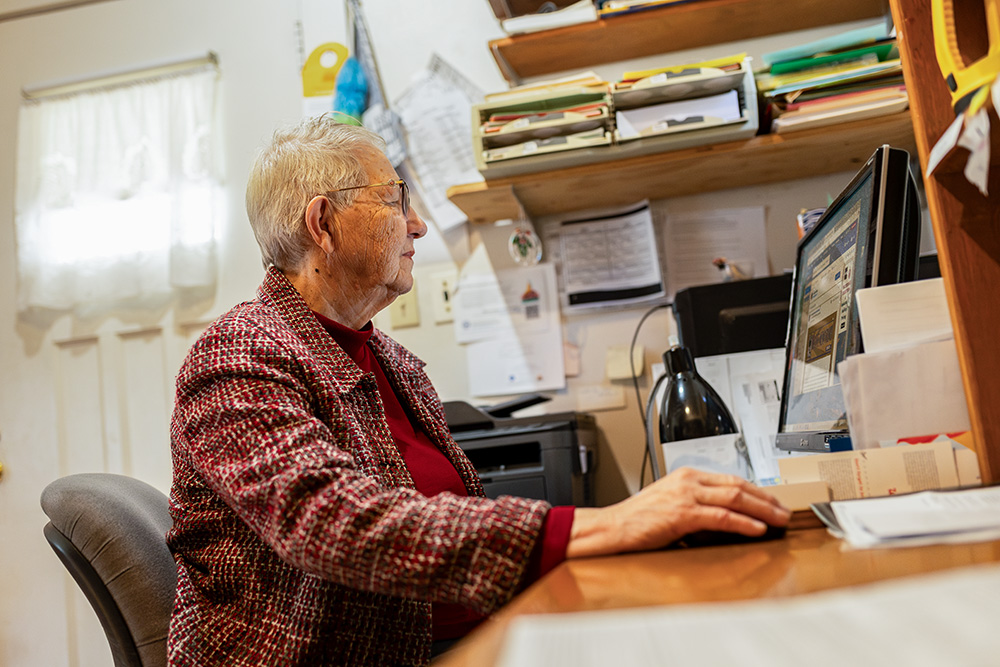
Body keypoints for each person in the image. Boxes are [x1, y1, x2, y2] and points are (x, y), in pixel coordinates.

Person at [166, 115, 790, 667]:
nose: (417, 225)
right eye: (394, 200)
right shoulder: (239, 351)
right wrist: (605, 526)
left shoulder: (393, 361)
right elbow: (332, 521)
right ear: (323, 223)